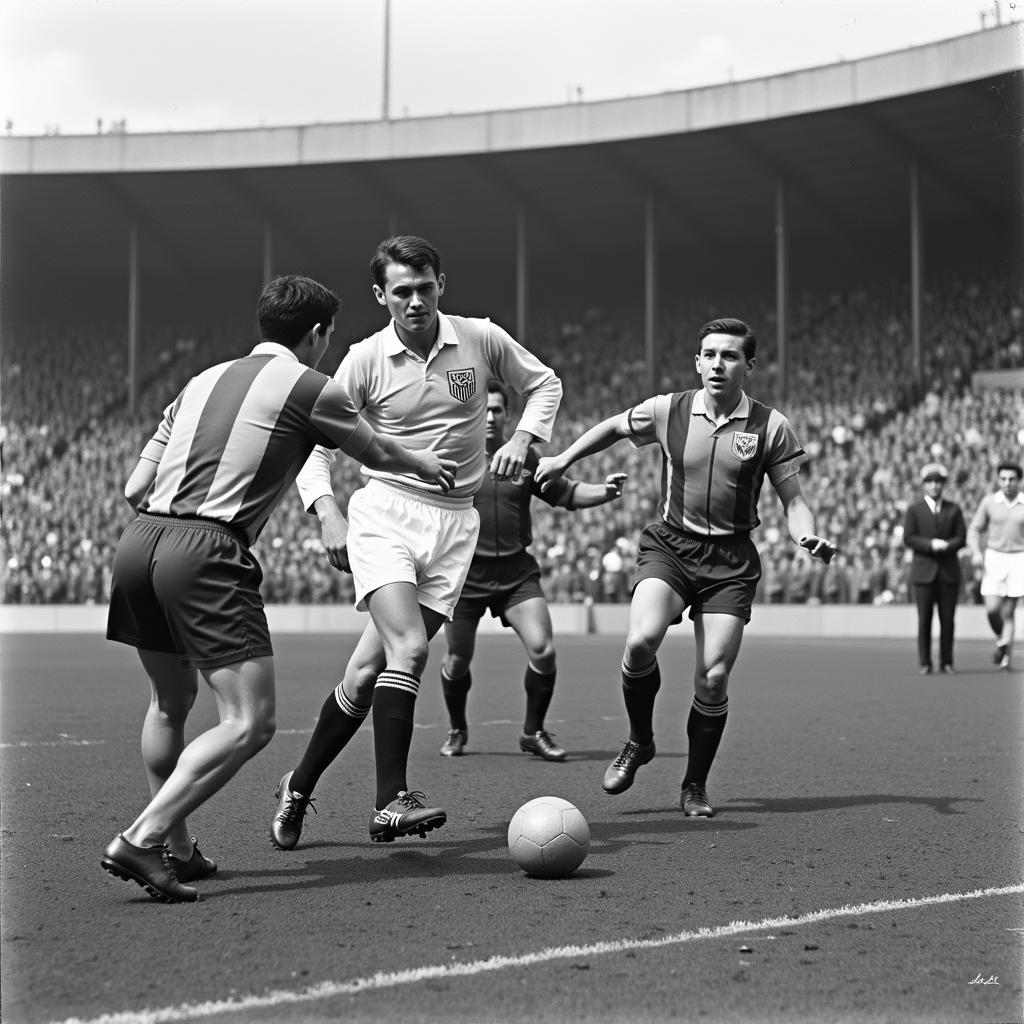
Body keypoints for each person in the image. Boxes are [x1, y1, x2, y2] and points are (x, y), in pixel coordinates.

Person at [101, 274, 457, 903]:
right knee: (249, 722)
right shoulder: (310, 385)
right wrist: (427, 464)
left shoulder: (199, 381)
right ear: (318, 334)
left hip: (140, 541)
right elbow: (374, 451)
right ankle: (142, 836)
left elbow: (134, 488)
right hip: (205, 551)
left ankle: (177, 853)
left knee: (169, 704)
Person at [270, 235, 561, 850]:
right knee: (409, 649)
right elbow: (313, 444)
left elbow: (547, 385)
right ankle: (389, 802)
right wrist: (327, 514)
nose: (415, 301)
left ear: (441, 285)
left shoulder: (480, 339)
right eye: (400, 291)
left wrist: (523, 441)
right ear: (381, 296)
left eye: (424, 288)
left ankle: (297, 786)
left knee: (366, 670)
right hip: (387, 515)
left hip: (457, 526)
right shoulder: (364, 360)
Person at [535, 317, 836, 818]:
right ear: (697, 362)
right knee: (639, 642)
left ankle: (694, 785)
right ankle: (639, 740)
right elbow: (611, 427)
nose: (719, 363)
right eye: (710, 355)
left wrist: (804, 532)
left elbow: (794, 499)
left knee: (713, 678)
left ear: (749, 365)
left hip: (731, 562)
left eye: (731, 355)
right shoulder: (667, 409)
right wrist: (563, 460)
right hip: (671, 548)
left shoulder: (771, 425)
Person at [438, 380, 627, 760]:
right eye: (483, 408)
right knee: (457, 659)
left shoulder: (525, 457)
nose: (490, 416)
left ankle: (533, 732)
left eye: (496, 409)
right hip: (464, 577)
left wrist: (604, 491)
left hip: (516, 574)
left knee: (543, 651)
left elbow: (567, 493)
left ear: (507, 415)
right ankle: (457, 729)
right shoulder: (451, 455)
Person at [902, 462, 967, 674]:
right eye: (930, 482)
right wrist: (930, 545)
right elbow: (909, 538)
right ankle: (925, 662)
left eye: (938, 482)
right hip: (923, 573)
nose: (934, 486)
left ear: (943, 484)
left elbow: (961, 537)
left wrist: (947, 545)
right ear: (924, 485)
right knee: (924, 621)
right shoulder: (914, 510)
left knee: (947, 620)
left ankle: (947, 662)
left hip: (948, 572)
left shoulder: (954, 509)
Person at [967, 461, 1024, 672]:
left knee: (1009, 611)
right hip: (994, 558)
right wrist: (975, 552)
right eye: (1003, 479)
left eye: (1012, 479)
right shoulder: (989, 502)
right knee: (992, 610)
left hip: (1019, 559)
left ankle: (1006, 659)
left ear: (1019, 481)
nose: (1007, 483)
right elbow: (975, 529)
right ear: (998, 480)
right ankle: (1002, 640)